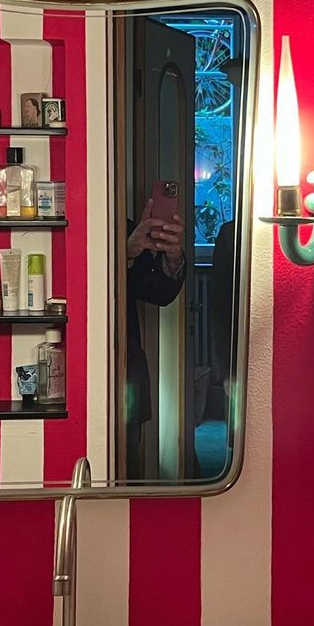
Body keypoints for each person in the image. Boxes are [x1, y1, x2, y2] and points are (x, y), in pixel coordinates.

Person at [125, 198, 185, 475]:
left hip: (125, 374)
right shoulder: (71, 231)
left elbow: (158, 292)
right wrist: (124, 253)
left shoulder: (125, 228)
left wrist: (173, 259)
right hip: (78, 372)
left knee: (127, 467)